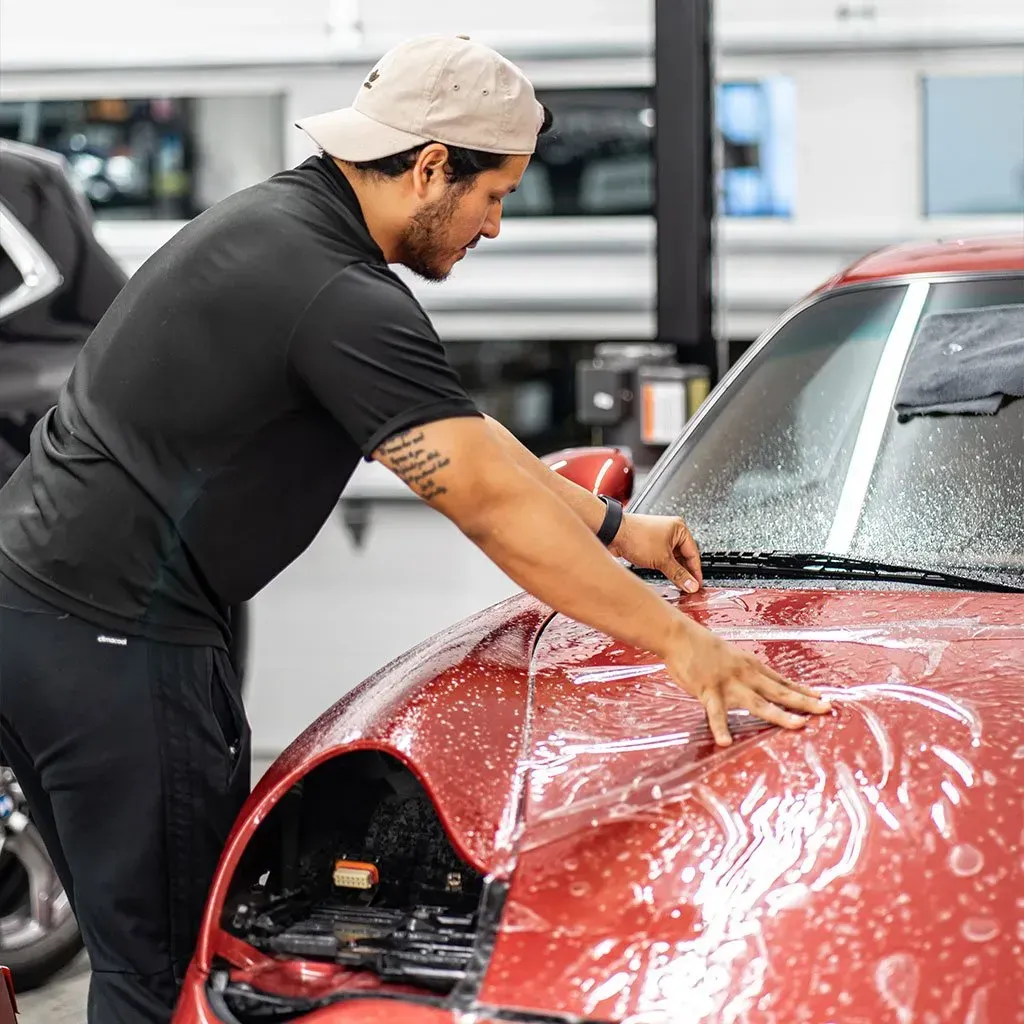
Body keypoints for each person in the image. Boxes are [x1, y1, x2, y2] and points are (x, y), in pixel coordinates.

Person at [0, 34, 830, 1024]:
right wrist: (681, 646)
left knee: (123, 937)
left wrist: (617, 526)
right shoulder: (334, 293)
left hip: (39, 618)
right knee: (168, 967)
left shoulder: (280, 231)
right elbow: (484, 501)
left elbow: (466, 440)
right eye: (496, 194)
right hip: (115, 644)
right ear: (432, 165)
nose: (494, 226)